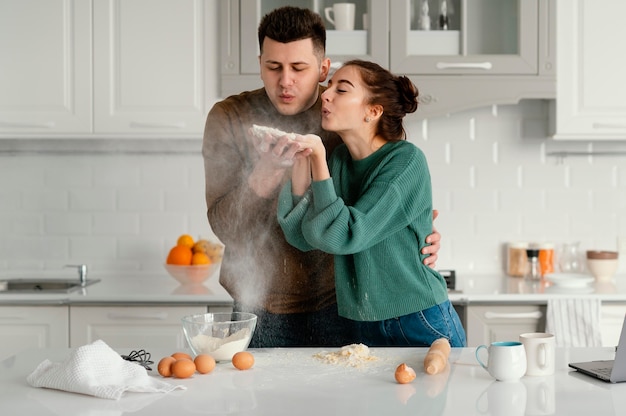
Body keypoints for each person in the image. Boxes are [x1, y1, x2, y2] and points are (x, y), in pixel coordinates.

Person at [202, 6, 442, 348]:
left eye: (299, 68)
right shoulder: (229, 117)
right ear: (259, 65)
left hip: (340, 302)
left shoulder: (343, 116)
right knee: (258, 401)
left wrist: (415, 230)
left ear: (323, 68)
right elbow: (225, 227)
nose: (286, 81)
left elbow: (388, 188)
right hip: (258, 303)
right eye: (274, 67)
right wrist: (265, 174)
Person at [277, 60, 466, 347]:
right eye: (329, 87)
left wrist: (317, 158)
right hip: (361, 323)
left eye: (342, 90)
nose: (326, 95)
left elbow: (350, 234)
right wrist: (303, 160)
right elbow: (304, 237)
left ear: (373, 111)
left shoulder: (405, 161)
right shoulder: (339, 160)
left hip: (418, 319)